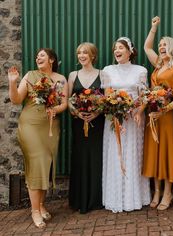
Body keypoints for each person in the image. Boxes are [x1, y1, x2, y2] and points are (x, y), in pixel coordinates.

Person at [7, 48, 68, 228]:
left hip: (50, 127)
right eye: (36, 56)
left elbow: (64, 103)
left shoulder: (61, 79)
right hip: (30, 125)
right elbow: (17, 99)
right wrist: (12, 83)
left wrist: (55, 109)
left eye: (42, 55)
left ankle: (41, 206)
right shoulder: (30, 75)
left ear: (51, 59)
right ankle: (34, 211)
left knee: (44, 164)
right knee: (36, 162)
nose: (37, 58)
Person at [142, 16, 173, 210]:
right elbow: (146, 48)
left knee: (167, 153)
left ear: (172, 48)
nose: (161, 47)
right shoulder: (158, 65)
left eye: (164, 44)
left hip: (166, 116)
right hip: (152, 116)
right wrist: (154, 28)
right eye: (160, 45)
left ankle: (168, 193)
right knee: (154, 153)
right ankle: (157, 191)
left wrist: (164, 110)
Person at [102, 37, 151, 213]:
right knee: (116, 154)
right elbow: (107, 96)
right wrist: (114, 111)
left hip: (134, 119)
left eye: (121, 47)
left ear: (130, 51)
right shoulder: (107, 70)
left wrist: (138, 111)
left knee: (133, 155)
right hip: (115, 119)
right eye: (115, 48)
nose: (117, 50)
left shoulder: (140, 70)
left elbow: (144, 95)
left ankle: (134, 197)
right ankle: (115, 197)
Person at [68, 42, 105, 213]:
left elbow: (106, 99)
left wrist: (96, 113)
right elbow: (67, 100)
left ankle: (95, 199)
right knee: (81, 158)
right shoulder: (72, 75)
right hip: (78, 123)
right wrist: (76, 112)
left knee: (95, 158)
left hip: (97, 124)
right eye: (79, 53)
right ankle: (79, 199)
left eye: (85, 52)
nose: (81, 55)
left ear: (93, 55)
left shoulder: (102, 74)